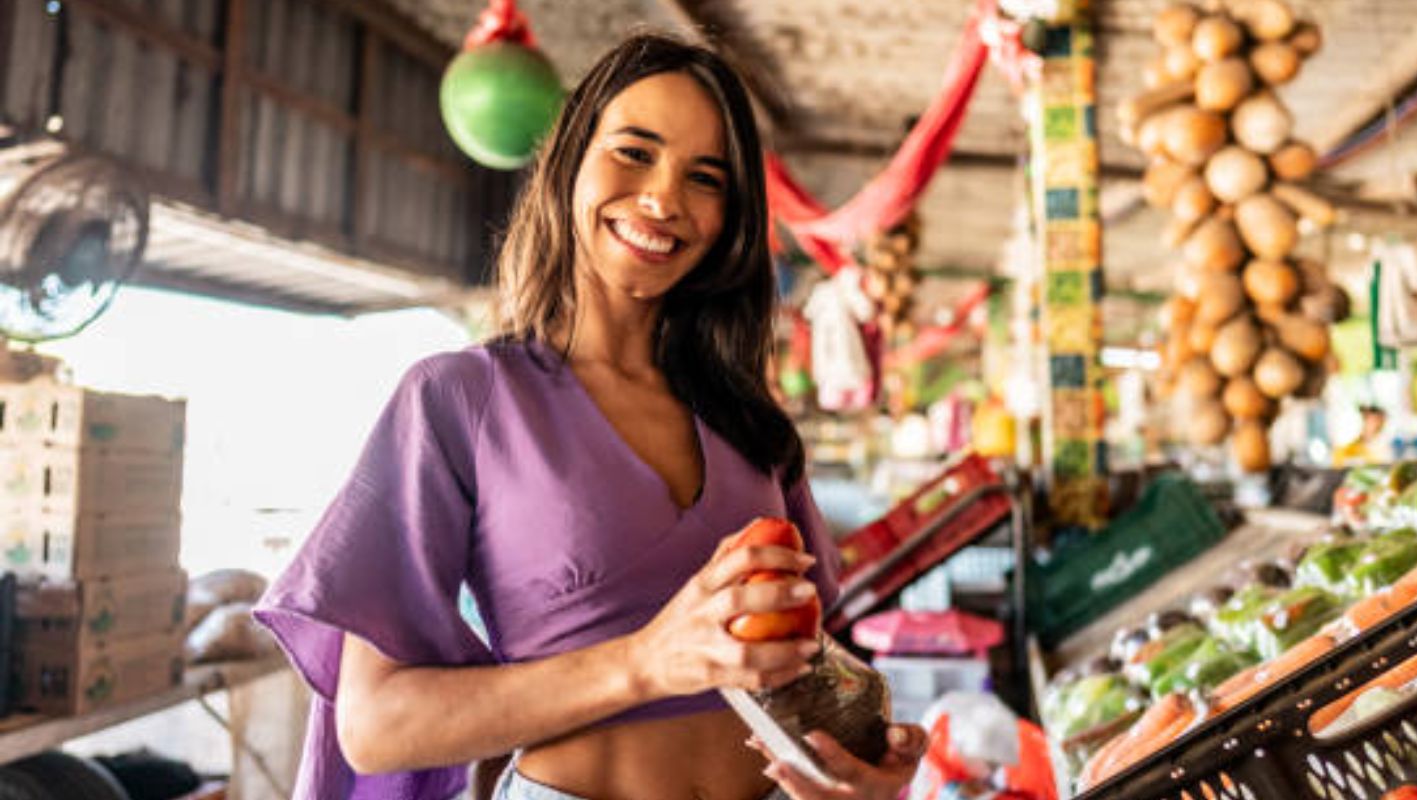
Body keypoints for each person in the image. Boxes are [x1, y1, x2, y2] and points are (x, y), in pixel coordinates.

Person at [254, 32, 927, 800]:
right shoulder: (460, 400)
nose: (665, 199)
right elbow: (376, 730)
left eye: (704, 178)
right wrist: (645, 662)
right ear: (569, 160)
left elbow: (798, 664)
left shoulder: (748, 419)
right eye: (635, 152)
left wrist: (858, 764)